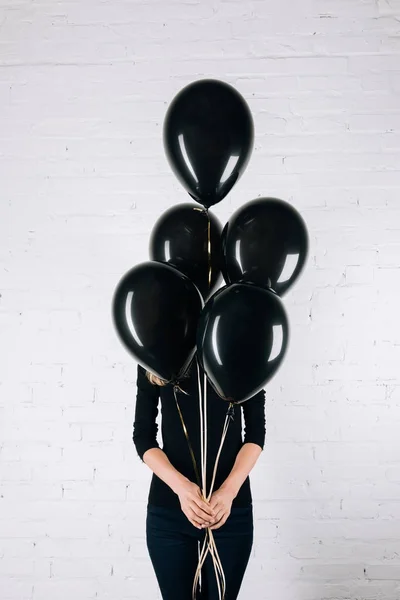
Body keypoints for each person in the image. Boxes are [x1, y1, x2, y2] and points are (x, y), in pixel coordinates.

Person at [132, 360, 266, 600]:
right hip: (169, 514)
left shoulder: (242, 347)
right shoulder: (156, 348)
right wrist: (182, 489)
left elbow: (256, 433)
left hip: (229, 512)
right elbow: (143, 437)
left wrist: (228, 492)